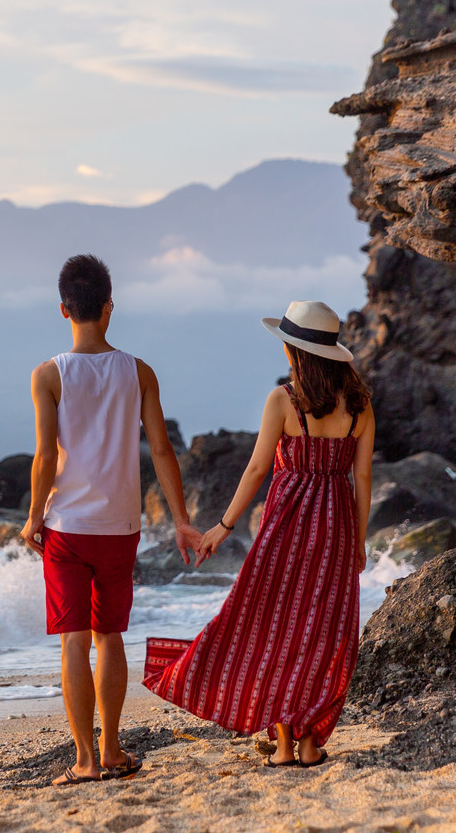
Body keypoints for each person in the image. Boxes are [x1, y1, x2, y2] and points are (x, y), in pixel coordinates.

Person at [143, 299, 372, 768]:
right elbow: (362, 480)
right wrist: (360, 541)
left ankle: (286, 746)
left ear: (294, 353)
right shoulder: (361, 407)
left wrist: (223, 527)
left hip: (287, 528)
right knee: (321, 635)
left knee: (276, 630)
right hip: (337, 528)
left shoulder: (284, 400)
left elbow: (255, 469)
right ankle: (311, 742)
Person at [22, 255, 202, 785]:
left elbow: (44, 457)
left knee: (74, 640)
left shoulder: (48, 374)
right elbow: (163, 451)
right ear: (108, 308)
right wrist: (183, 520)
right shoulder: (138, 371)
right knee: (110, 637)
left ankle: (84, 760)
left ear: (63, 310)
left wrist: (34, 516)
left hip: (67, 526)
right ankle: (115, 750)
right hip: (121, 528)